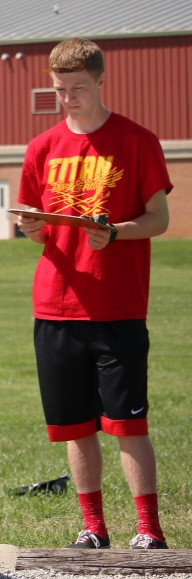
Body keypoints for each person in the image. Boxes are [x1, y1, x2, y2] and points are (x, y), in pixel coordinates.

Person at [16, 38, 173, 550]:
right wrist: (31, 228)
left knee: (128, 425)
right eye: (60, 89)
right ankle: (93, 528)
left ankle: (148, 529)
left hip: (116, 306)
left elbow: (159, 218)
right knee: (74, 426)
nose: (68, 98)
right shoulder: (41, 147)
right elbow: (35, 227)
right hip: (55, 307)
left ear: (101, 81)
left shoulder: (137, 140)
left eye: (78, 88)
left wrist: (117, 232)